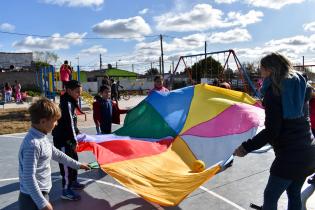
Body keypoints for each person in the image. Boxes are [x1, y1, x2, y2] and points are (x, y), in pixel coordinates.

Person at [233, 53, 315, 210]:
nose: (260, 72)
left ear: (269, 70)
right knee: (294, 194)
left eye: (261, 69)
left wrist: (245, 148)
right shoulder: (299, 85)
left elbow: (272, 131)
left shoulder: (274, 92)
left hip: (290, 156)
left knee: (271, 196)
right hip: (309, 150)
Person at [18, 98, 90, 210]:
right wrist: (42, 203)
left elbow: (58, 155)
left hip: (40, 194)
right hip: (32, 198)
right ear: (43, 122)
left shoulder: (41, 137)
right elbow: (28, 177)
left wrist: (78, 165)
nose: (56, 124)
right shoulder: (32, 144)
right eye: (54, 120)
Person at [52, 80, 85, 201]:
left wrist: (77, 132)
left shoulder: (71, 101)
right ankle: (65, 190)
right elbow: (69, 123)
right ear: (69, 91)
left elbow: (73, 122)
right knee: (66, 165)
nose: (79, 94)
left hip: (69, 139)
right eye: (77, 92)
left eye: (80, 92)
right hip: (63, 140)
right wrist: (74, 139)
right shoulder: (66, 103)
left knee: (74, 159)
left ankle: (73, 181)